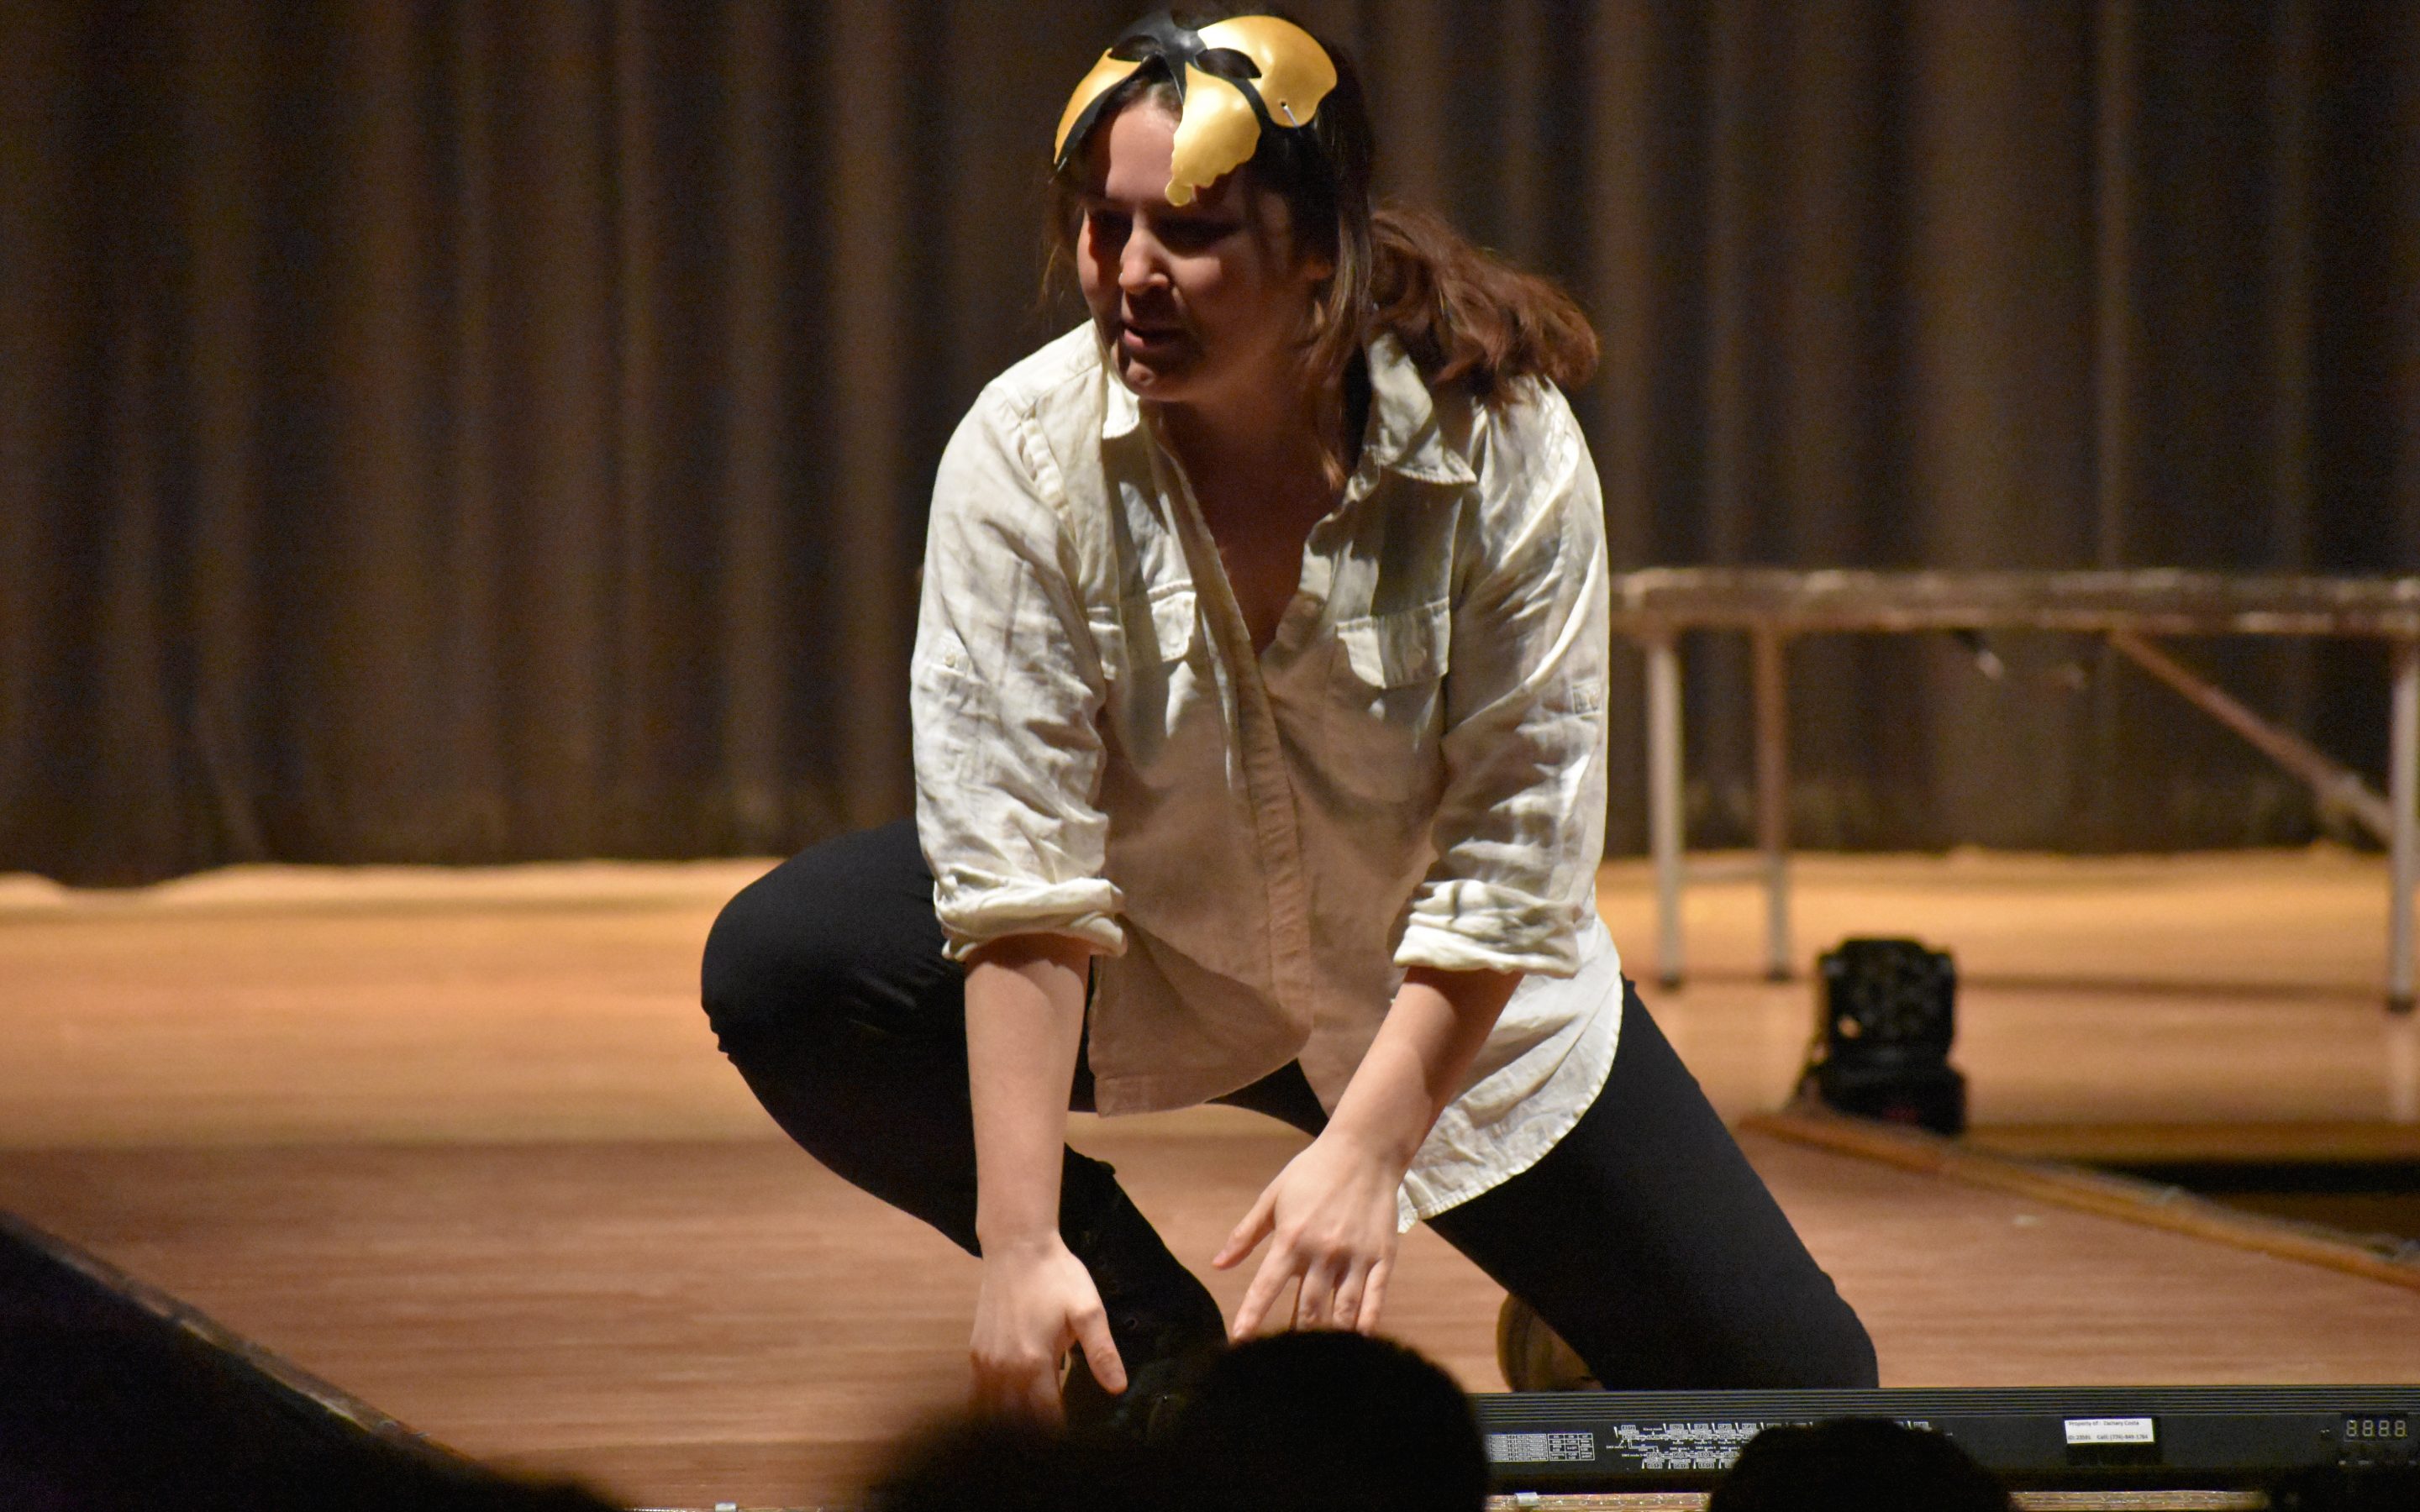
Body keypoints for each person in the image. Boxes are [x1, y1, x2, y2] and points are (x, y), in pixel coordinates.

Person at [702, 7, 1876, 1429]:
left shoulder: (1496, 442)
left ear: (1320, 245)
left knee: (1802, 1397)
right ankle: (1142, 1326)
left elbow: (1517, 852)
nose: (1134, 273)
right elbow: (1018, 870)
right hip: (1163, 944)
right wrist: (1023, 1245)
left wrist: (1371, 1148)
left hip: (1435, 996)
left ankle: (1573, 1316)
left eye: (1193, 233)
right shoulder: (1025, 456)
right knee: (786, 965)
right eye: (1106, 225)